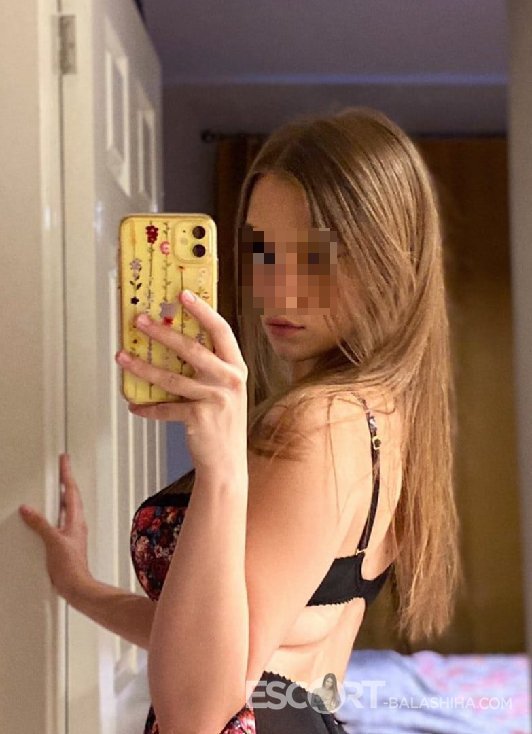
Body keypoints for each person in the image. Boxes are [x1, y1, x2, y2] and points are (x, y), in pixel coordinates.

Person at [19, 106, 462, 734]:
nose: (277, 291)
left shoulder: (321, 422)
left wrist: (223, 467)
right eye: (262, 251)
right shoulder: (380, 412)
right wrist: (81, 588)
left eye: (314, 259)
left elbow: (197, 710)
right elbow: (227, 636)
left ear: (390, 258)